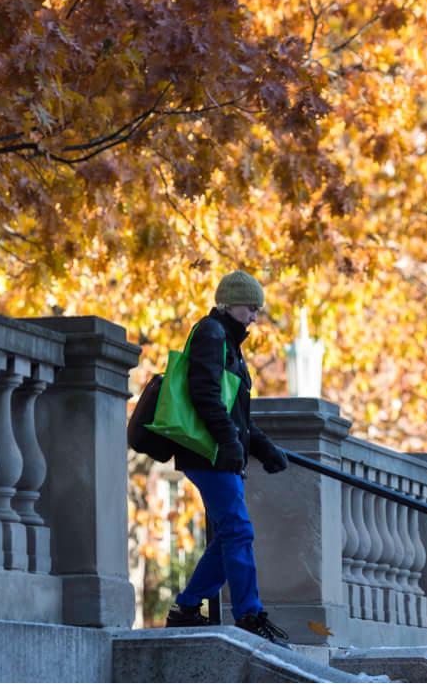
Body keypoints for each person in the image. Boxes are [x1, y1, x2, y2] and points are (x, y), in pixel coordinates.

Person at [164, 270, 292, 648]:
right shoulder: (211, 333)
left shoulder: (229, 342)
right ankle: (249, 615)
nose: (254, 317)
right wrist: (229, 441)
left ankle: (186, 609)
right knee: (238, 531)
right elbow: (204, 395)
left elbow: (238, 415)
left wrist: (264, 448)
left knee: (228, 536)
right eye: (250, 308)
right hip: (207, 452)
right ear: (228, 303)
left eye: (257, 310)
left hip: (219, 451)